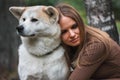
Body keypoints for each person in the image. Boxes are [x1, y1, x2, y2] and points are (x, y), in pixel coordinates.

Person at [55, 3, 120, 80]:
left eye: (74, 26)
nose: (72, 34)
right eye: (64, 32)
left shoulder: (95, 45)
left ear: (80, 23)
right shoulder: (68, 46)